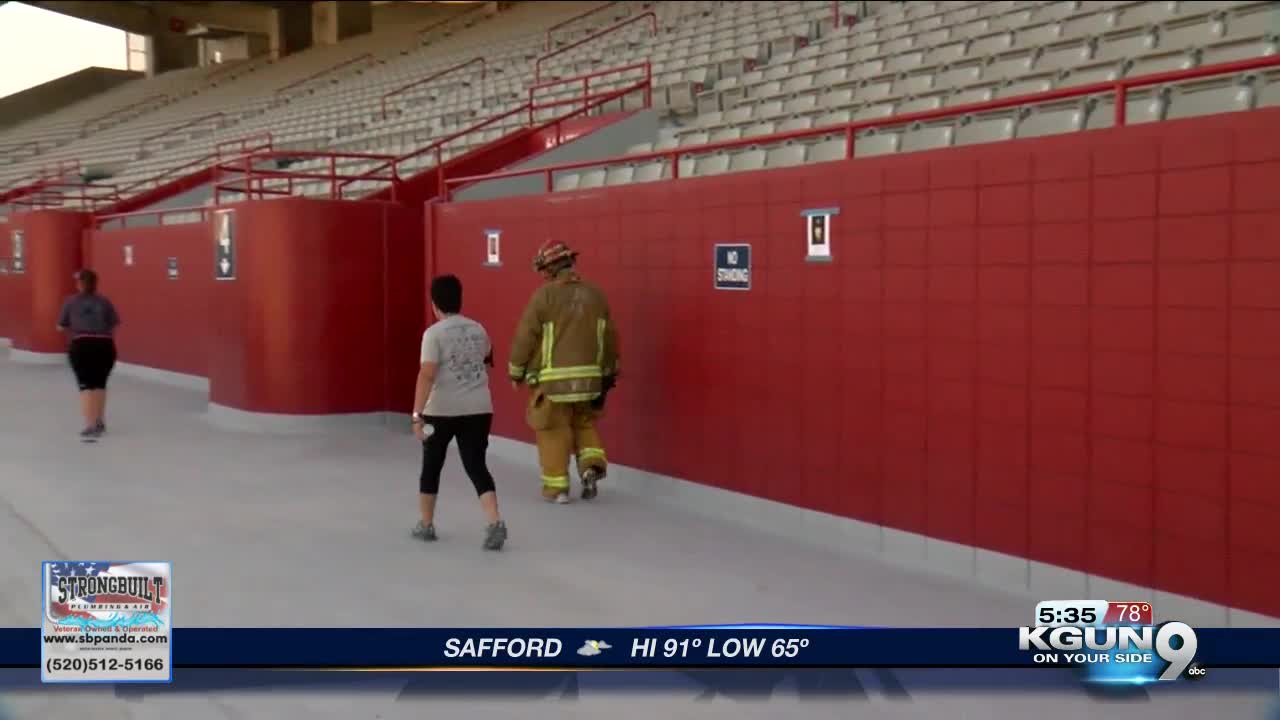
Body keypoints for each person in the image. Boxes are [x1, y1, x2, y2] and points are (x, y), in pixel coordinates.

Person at [508, 240, 619, 504]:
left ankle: (557, 489)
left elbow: (526, 337)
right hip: (590, 381)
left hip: (553, 384)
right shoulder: (596, 295)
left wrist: (516, 371)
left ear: (550, 268)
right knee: (584, 423)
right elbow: (610, 338)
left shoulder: (544, 296)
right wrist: (608, 372)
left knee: (553, 430)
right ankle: (591, 465)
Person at [410, 274, 507, 551]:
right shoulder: (478, 329)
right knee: (476, 465)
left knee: (432, 466)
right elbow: (488, 356)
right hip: (478, 408)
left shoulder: (433, 334)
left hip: (441, 409)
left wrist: (417, 415)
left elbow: (427, 374)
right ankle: (494, 522)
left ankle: (426, 525)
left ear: (434, 304)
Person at [56, 269, 120, 442]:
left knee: (85, 386)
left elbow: (61, 326)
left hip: (81, 345)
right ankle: (100, 422)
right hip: (105, 345)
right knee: (100, 384)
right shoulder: (104, 301)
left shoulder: (70, 302)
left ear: (79, 284)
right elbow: (114, 323)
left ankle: (90, 426)